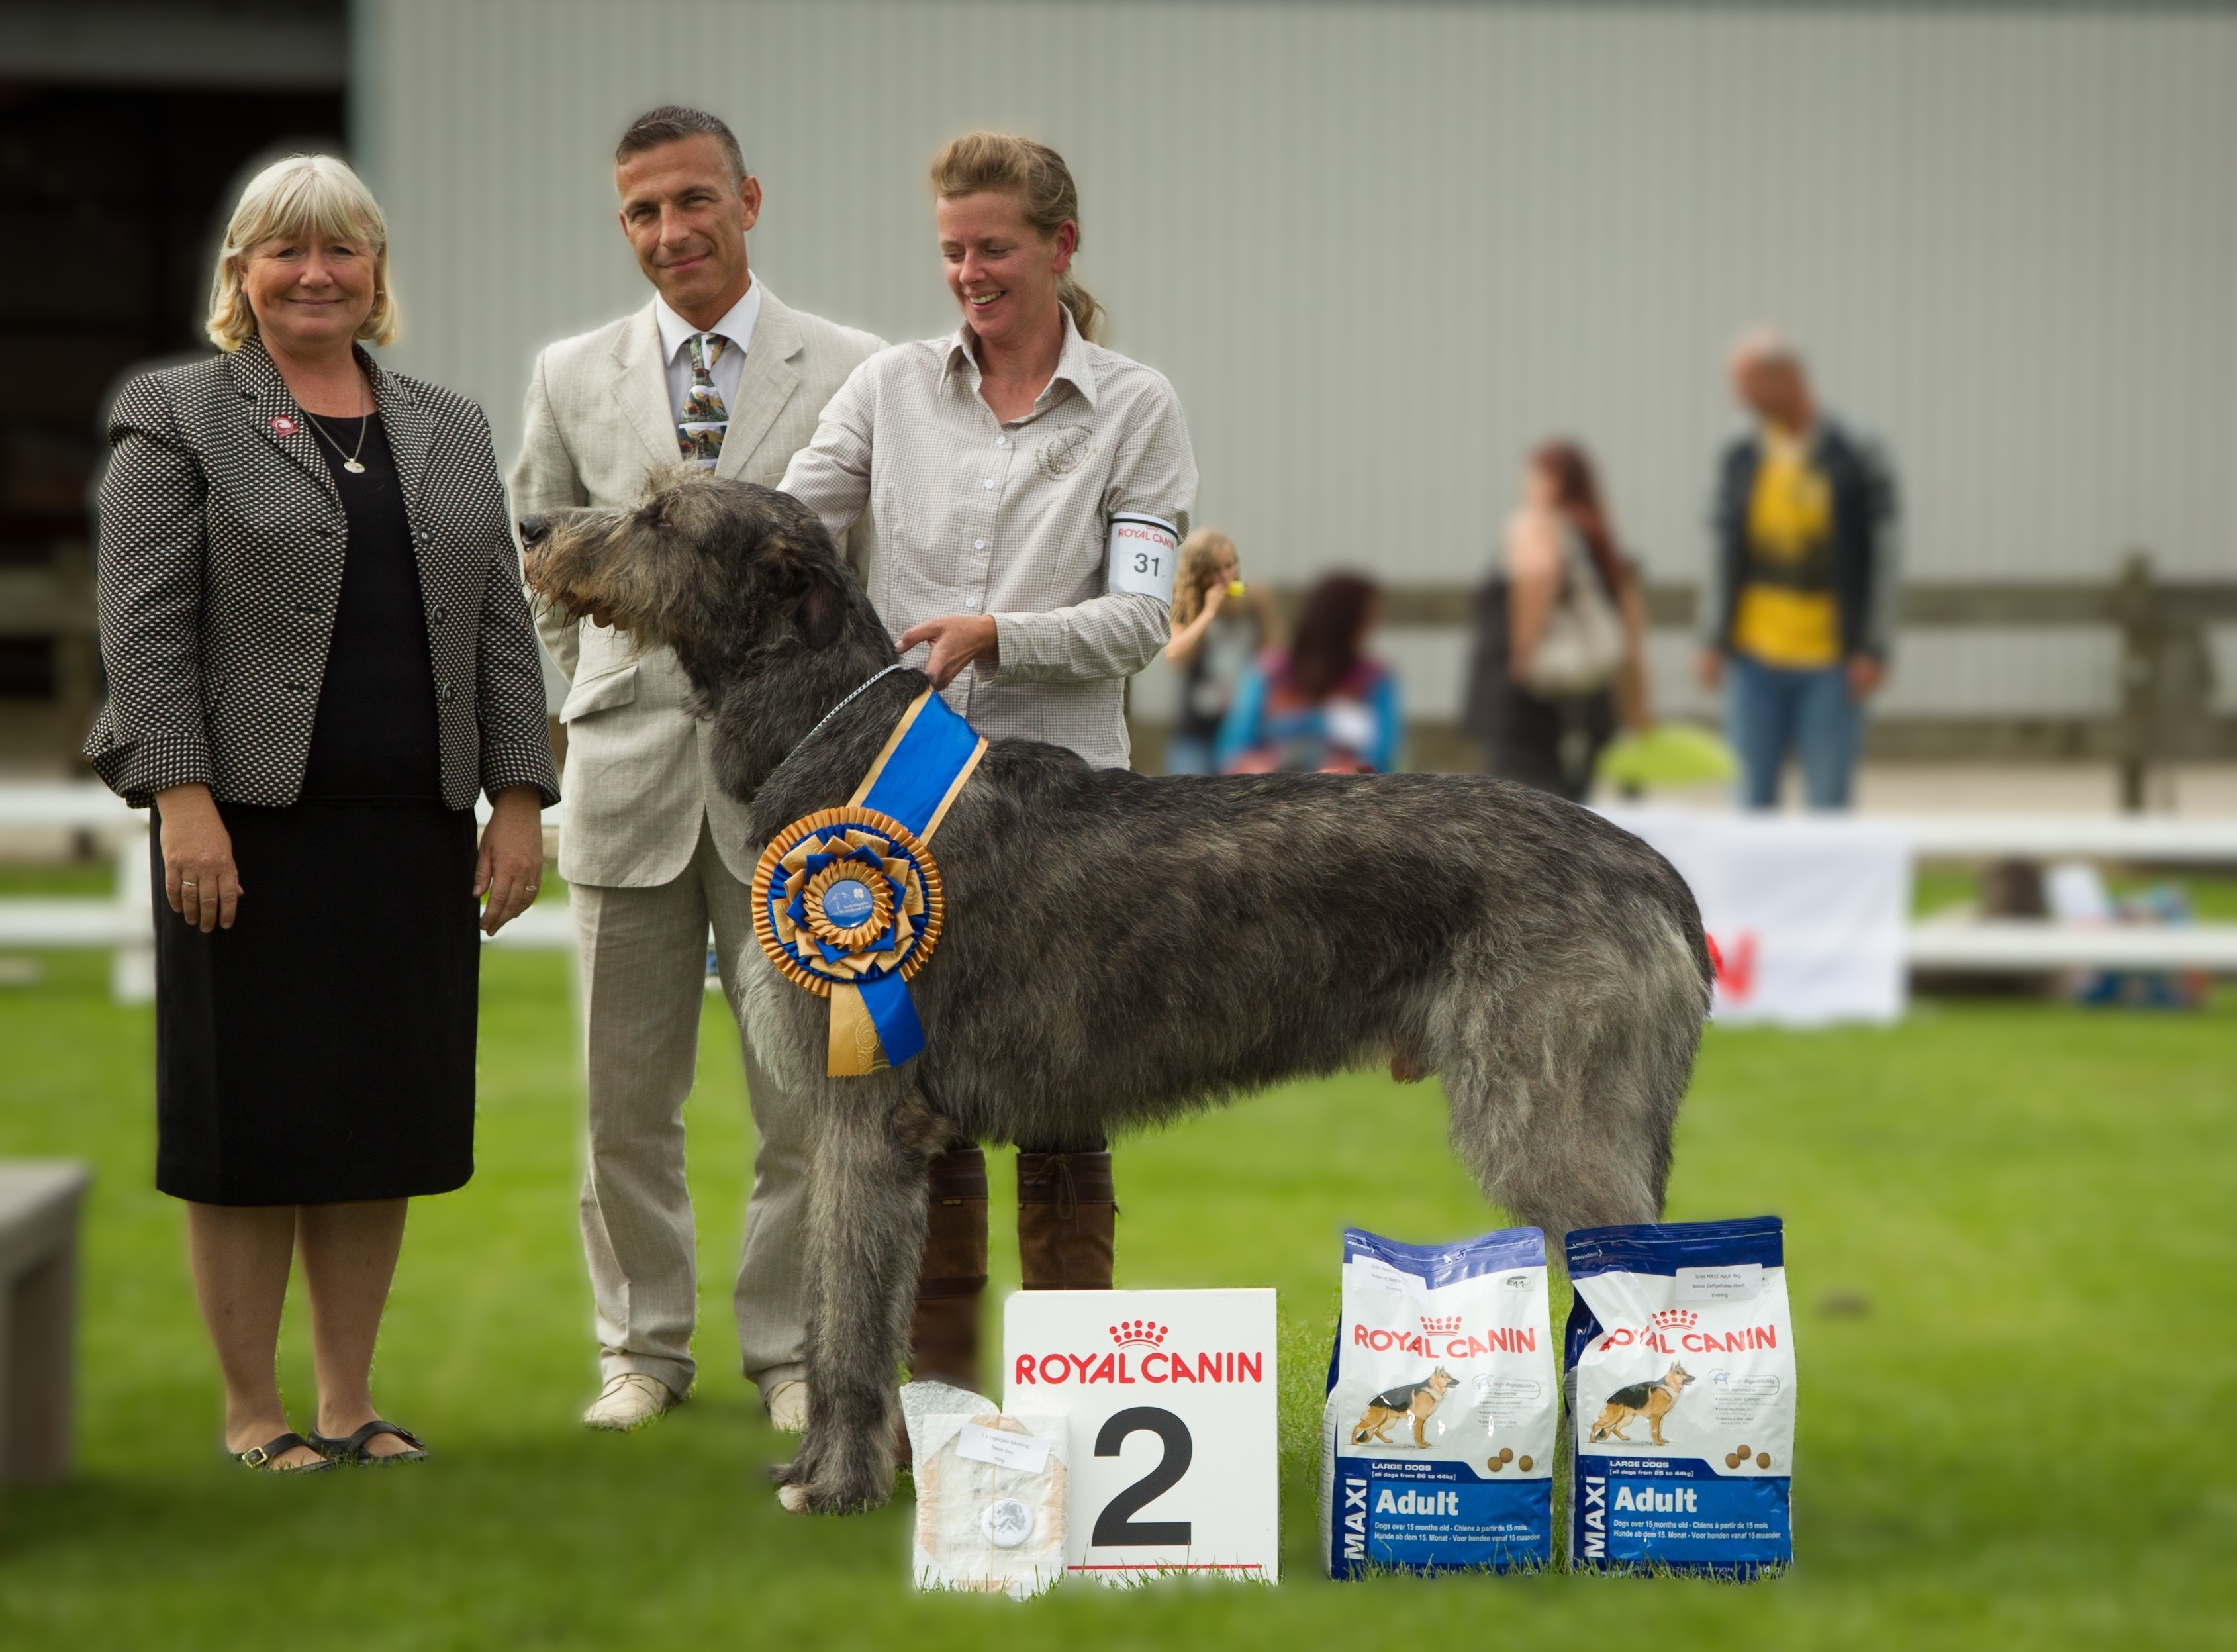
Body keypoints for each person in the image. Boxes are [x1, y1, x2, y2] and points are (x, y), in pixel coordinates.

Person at [84, 154, 558, 1472]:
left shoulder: (451, 424)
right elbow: (146, 633)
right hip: (242, 833)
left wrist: (517, 797)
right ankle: (254, 1411)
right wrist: (184, 802)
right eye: (284, 249)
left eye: (340, 250)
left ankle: (350, 1400)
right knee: (249, 1127)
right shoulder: (175, 414)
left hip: (411, 831)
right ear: (241, 272)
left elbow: (503, 632)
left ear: (375, 273)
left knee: (374, 1121)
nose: (314, 272)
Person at [781, 131, 1197, 1397]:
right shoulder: (886, 388)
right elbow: (791, 536)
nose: (969, 272)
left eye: (995, 248)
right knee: (925, 1105)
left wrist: (996, 635)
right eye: (952, 250)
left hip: (1068, 817)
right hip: (902, 813)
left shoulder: (1135, 405)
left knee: (1066, 1106)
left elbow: (1139, 619)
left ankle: (1074, 1409)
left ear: (1059, 247)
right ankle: (939, 1409)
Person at [508, 107, 883, 1434]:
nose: (672, 233)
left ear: (748, 199)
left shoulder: (853, 368)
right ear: (626, 225)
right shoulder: (570, 371)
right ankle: (640, 1349)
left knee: (805, 1102)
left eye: (694, 201)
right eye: (644, 212)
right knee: (625, 1101)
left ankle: (789, 1349)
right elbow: (539, 555)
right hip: (627, 780)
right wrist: (593, 689)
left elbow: (862, 575)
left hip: (802, 797)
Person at [1697, 328, 1899, 810]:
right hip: (1753, 659)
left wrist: (1873, 645)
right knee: (1748, 803)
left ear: (1783, 378)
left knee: (1828, 804)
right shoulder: (1739, 454)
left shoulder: (1856, 451)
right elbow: (1719, 549)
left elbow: (1887, 554)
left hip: (1831, 660)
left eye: (1745, 383)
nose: (1737, 398)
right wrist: (1711, 637)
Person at [1465, 441, 1650, 801]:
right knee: (1572, 831)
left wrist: (1523, 651)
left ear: (1552, 480)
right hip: (1589, 715)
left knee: (1524, 832)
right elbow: (1633, 639)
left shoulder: (1535, 523)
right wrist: (1638, 721)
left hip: (1527, 712)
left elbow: (1539, 570)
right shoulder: (1603, 543)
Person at [1215, 573, 1400, 774]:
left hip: (1349, 797)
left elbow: (1382, 757)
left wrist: (1346, 770)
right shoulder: (1270, 671)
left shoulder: (1376, 679)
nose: (1376, 622)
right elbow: (1232, 752)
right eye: (1369, 615)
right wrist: (1266, 768)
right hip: (1272, 794)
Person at [1162, 529, 1280, 775]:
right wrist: (1208, 614)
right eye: (1216, 572)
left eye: (1231, 566)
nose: (1227, 577)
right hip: (1199, 731)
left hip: (1245, 732)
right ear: (1200, 574)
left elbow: (1275, 659)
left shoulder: (1254, 601)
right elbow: (1177, 657)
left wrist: (1264, 612)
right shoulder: (1184, 602)